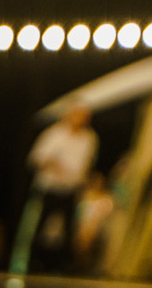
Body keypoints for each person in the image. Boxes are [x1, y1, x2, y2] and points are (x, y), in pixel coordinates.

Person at [22, 103, 98, 275]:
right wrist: (56, 166)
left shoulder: (89, 138)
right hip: (50, 188)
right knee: (40, 225)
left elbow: (87, 163)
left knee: (68, 228)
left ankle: (61, 265)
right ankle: (34, 262)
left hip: (71, 188)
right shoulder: (54, 134)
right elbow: (36, 159)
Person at [73, 171, 114, 275]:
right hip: (83, 227)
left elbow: (105, 217)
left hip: (97, 229)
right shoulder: (85, 196)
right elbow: (80, 213)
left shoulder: (106, 199)